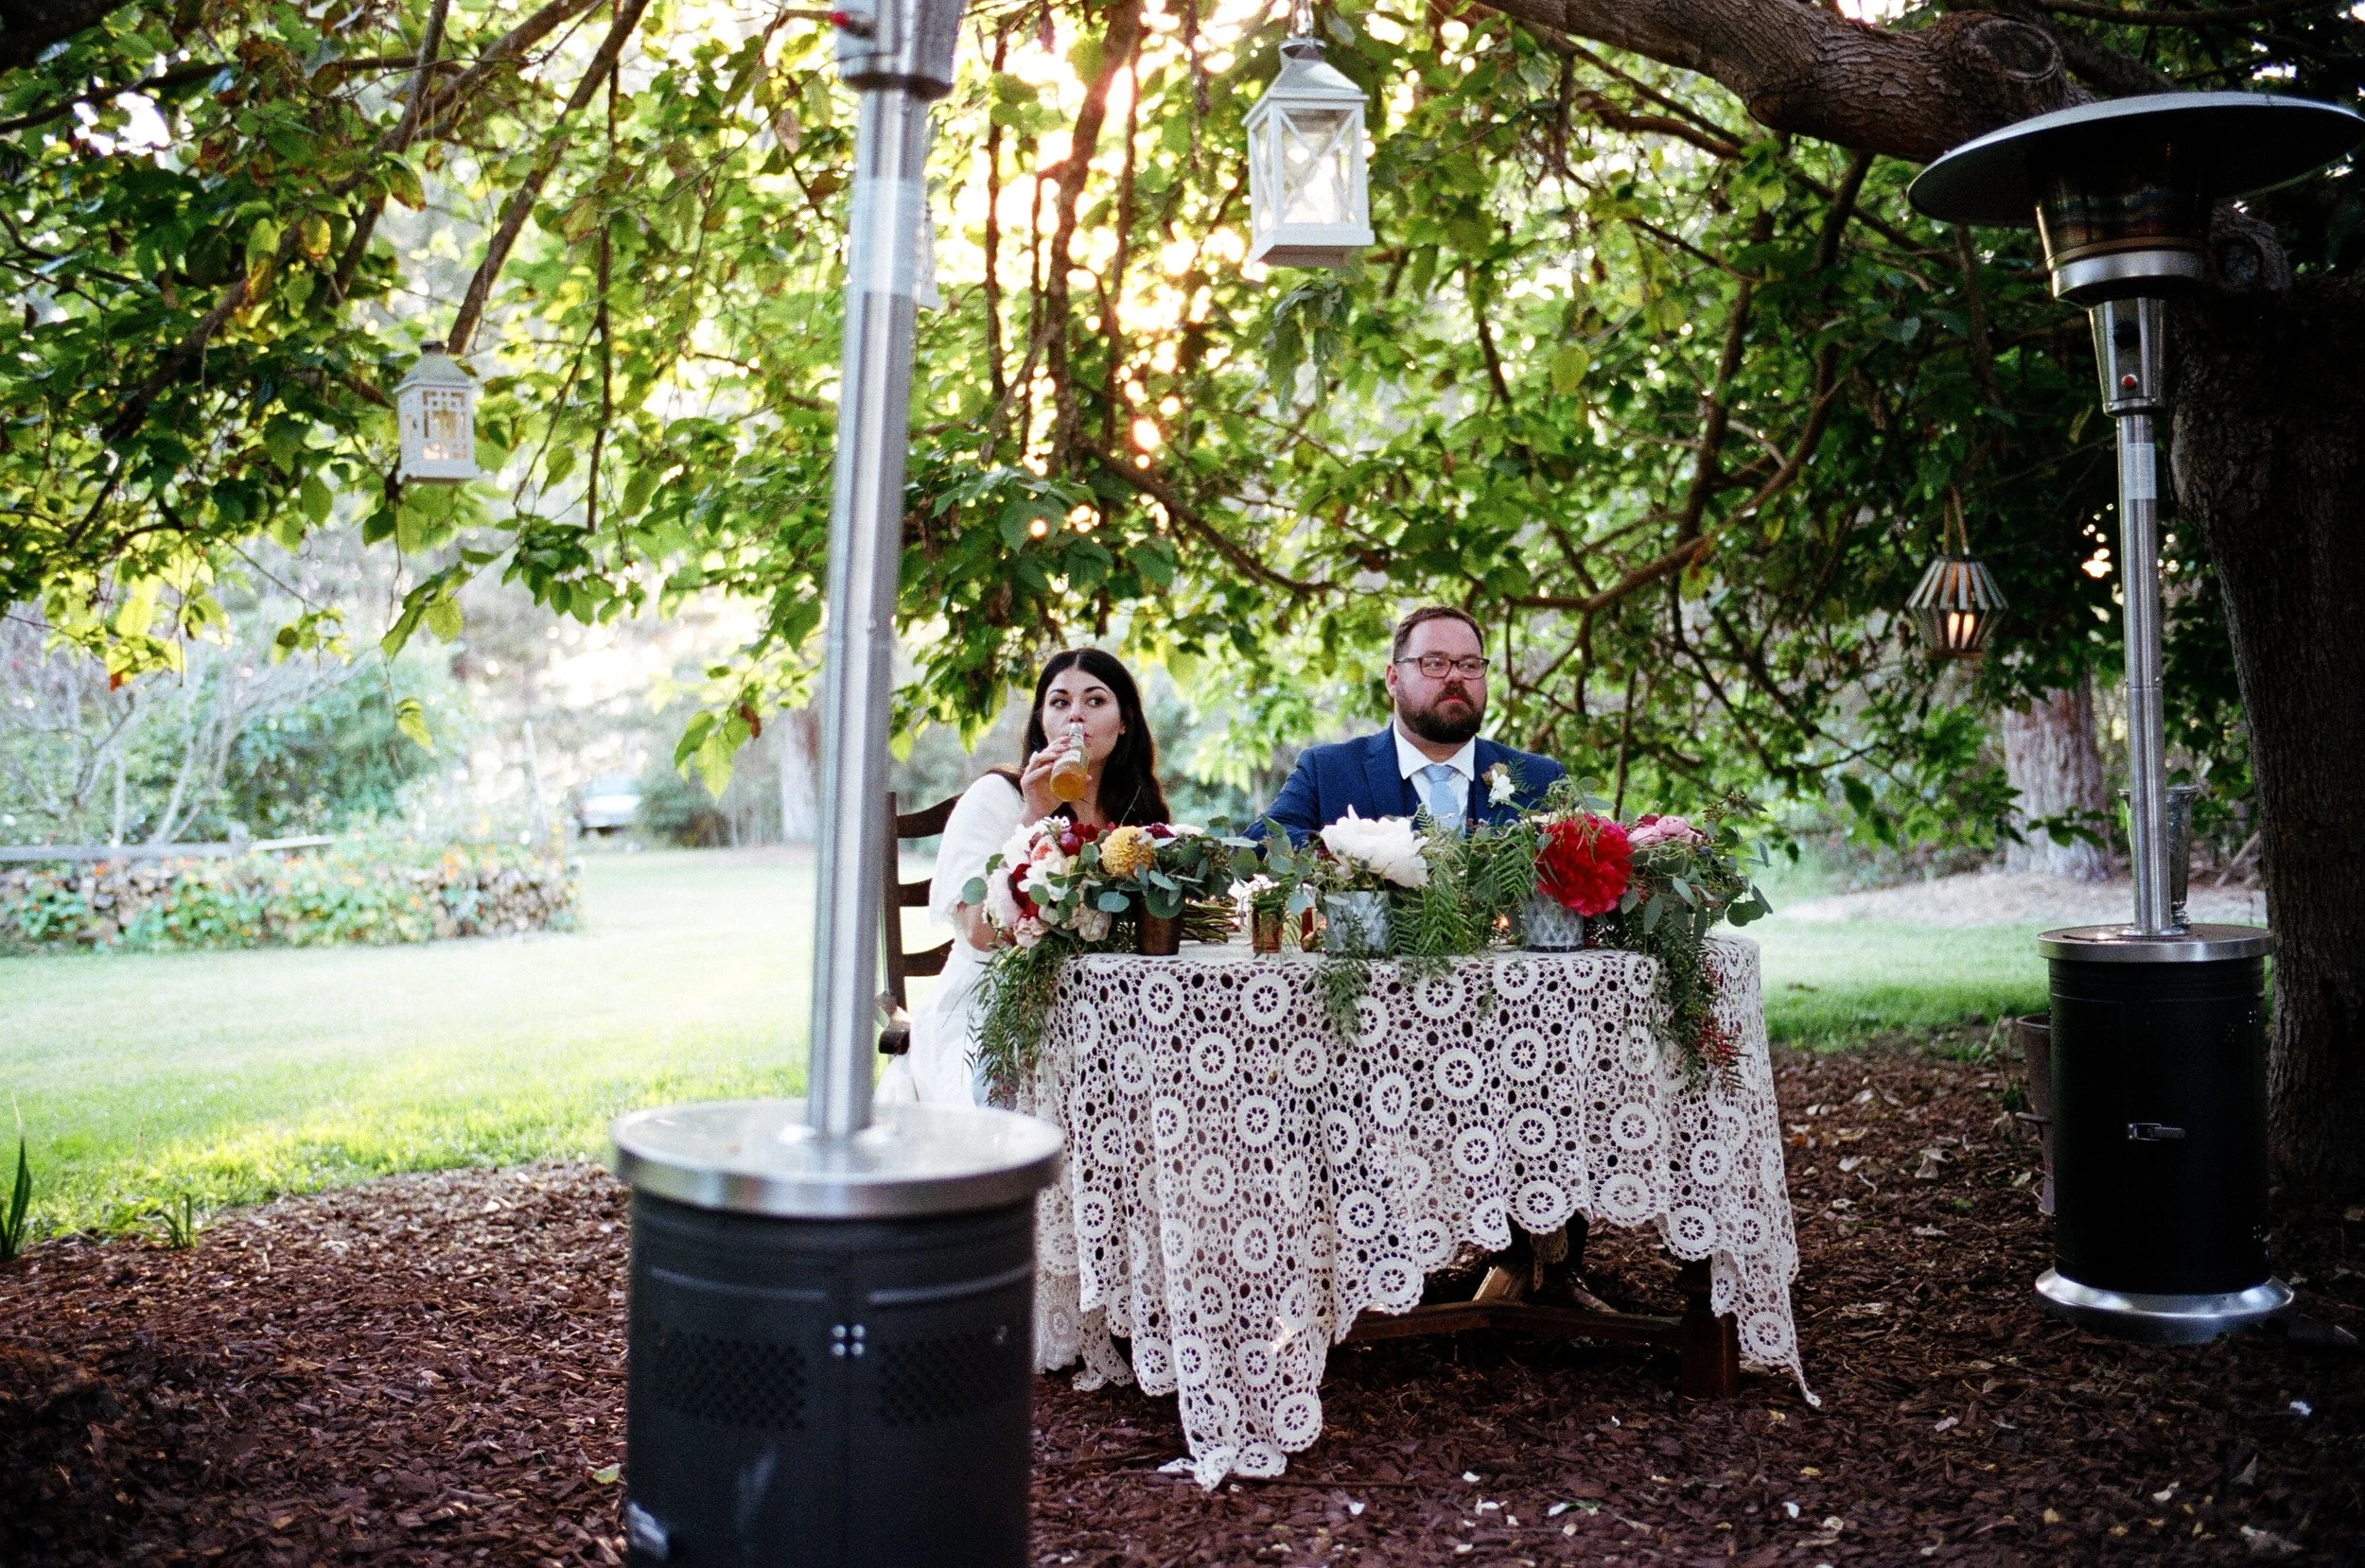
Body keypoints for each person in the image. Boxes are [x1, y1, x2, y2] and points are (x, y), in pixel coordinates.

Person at [876, 648, 1172, 1106]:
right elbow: (977, 931)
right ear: (1041, 723)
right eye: (1059, 703)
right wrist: (1035, 812)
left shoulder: (1136, 815)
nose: (1076, 716)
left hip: (1106, 1011)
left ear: (1124, 721)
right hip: (990, 1007)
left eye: (1095, 701)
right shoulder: (995, 796)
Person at [1261, 605, 1564, 842]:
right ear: (1393, 679)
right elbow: (1261, 844)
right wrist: (1352, 850)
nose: (1455, 676)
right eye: (1434, 663)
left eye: (1470, 665)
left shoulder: (1541, 779)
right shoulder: (1327, 772)